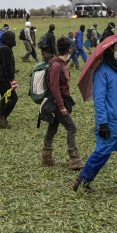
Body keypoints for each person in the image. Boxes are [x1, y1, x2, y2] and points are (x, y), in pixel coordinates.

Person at [71, 39, 117, 195]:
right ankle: (81, 182)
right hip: (110, 122)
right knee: (101, 155)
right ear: (110, 50)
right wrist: (102, 123)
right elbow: (99, 100)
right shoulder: (101, 72)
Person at [39, 37, 85, 170]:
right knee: (72, 128)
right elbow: (54, 88)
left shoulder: (61, 64)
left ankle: (46, 158)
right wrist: (61, 106)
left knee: (52, 128)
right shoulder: (56, 66)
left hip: (60, 100)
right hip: (56, 102)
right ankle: (74, 159)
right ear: (69, 49)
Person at [0, 30, 17, 129]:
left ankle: (2, 120)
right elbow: (7, 65)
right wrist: (11, 80)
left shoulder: (2, 48)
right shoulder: (6, 49)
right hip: (3, 78)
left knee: (4, 97)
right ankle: (2, 117)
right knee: (13, 98)